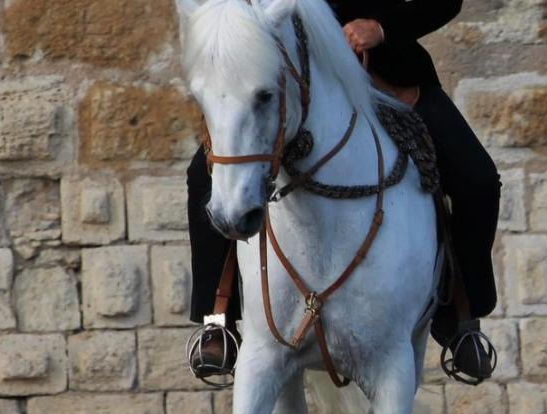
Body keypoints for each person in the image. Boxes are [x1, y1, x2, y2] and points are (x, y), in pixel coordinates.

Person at [187, 0, 501, 384]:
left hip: (384, 73)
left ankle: (461, 320)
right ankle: (217, 319)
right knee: (202, 177)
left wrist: (380, 27)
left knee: (478, 180)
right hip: (283, 80)